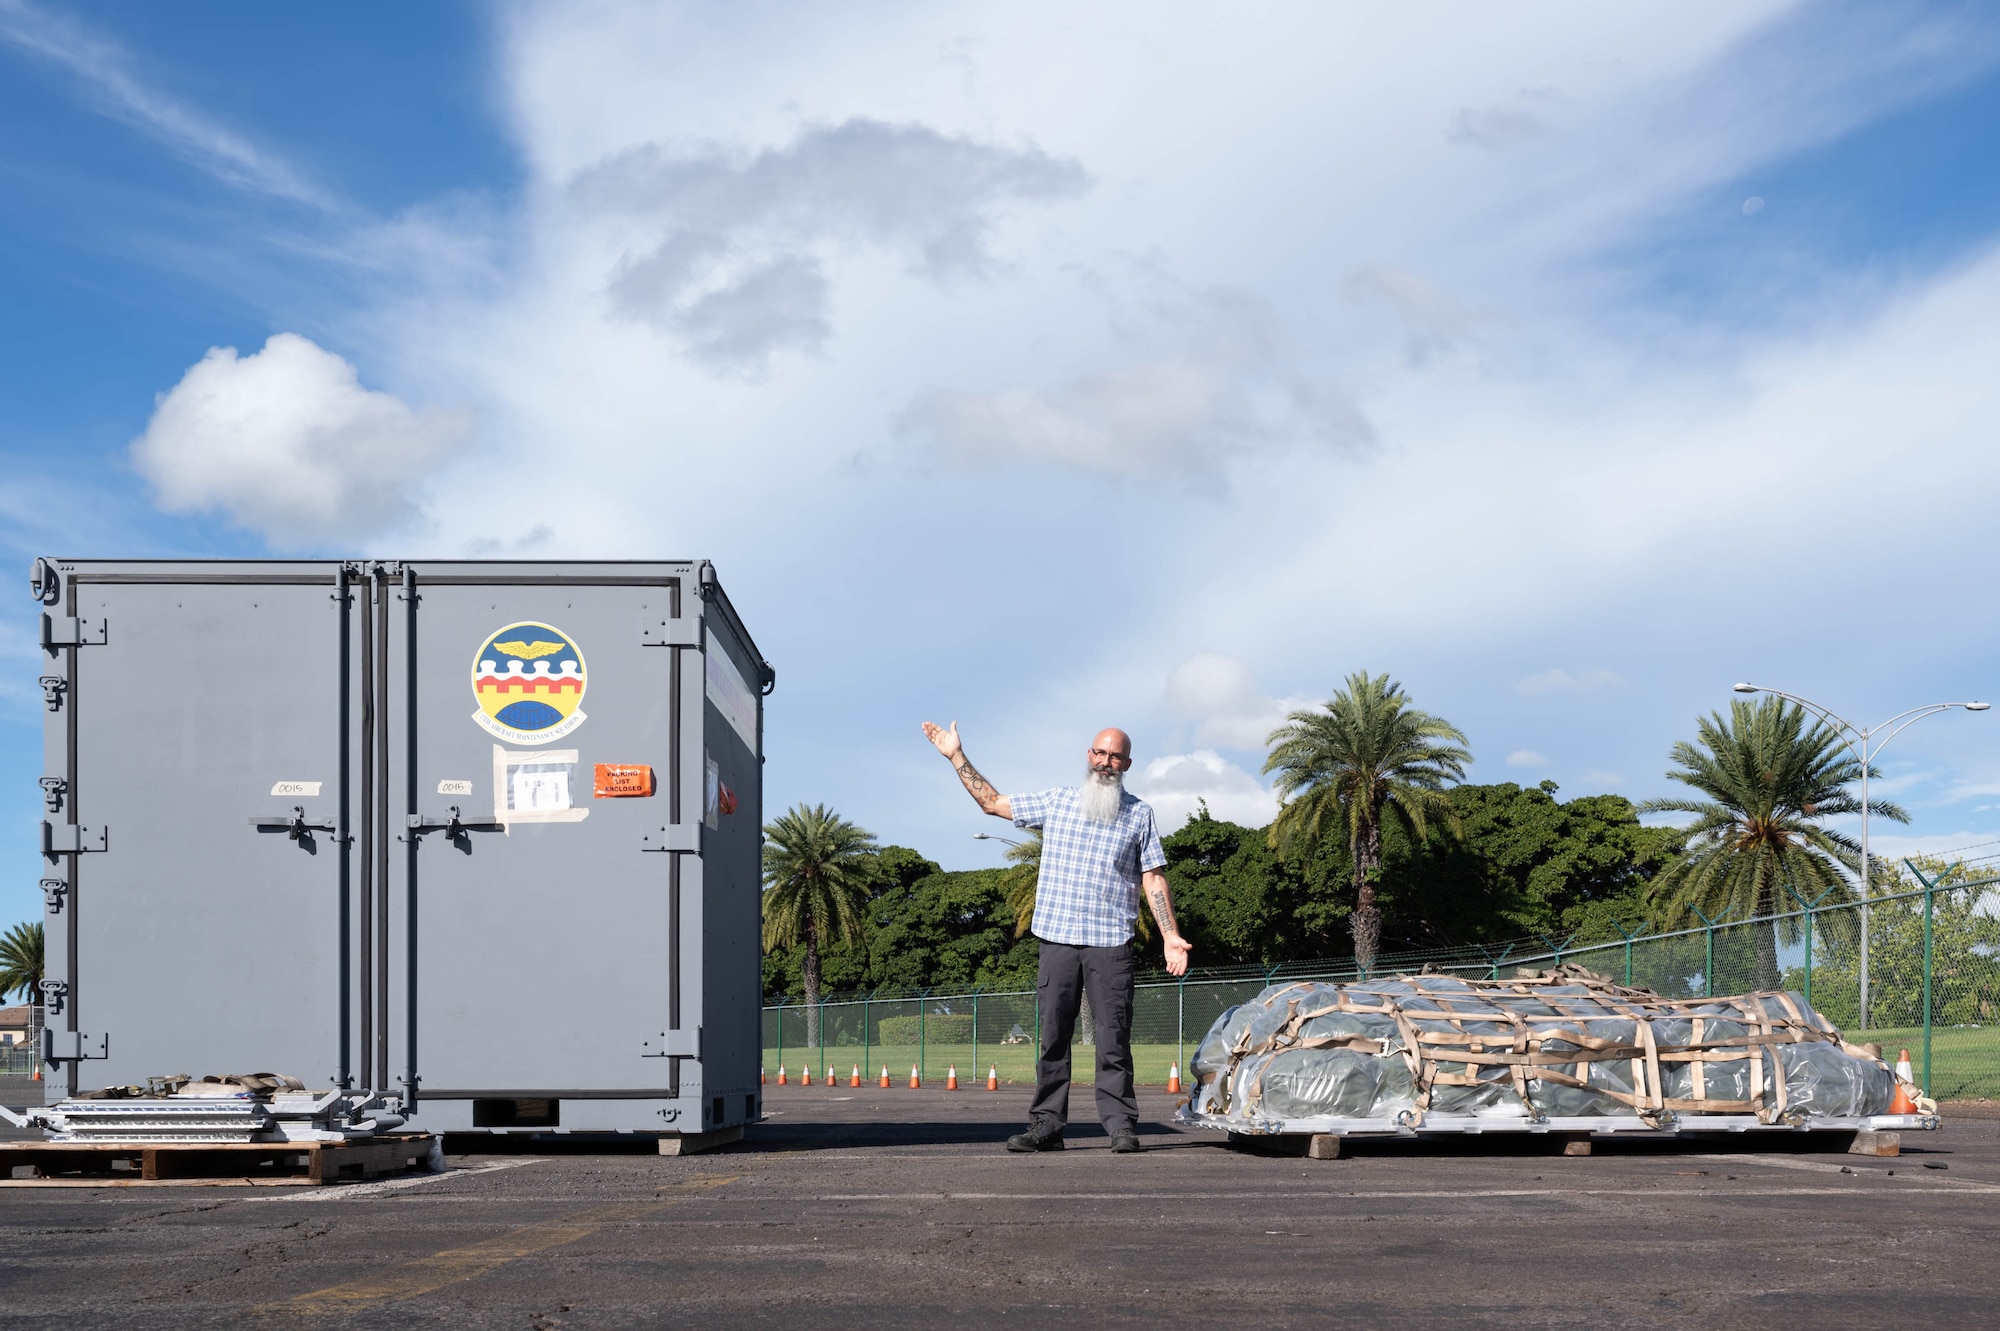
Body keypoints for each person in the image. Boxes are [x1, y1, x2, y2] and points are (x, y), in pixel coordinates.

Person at [921, 720, 1192, 1154]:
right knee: (1052, 1038)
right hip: (1058, 940)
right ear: (1089, 756)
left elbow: (1154, 878)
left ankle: (1121, 1125)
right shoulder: (1058, 802)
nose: (1106, 762)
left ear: (1127, 763)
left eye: (1115, 756)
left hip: (1111, 943)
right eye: (1100, 754)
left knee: (1113, 1038)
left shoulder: (1139, 813)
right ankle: (1046, 1126)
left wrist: (1170, 936)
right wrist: (956, 756)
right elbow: (992, 803)